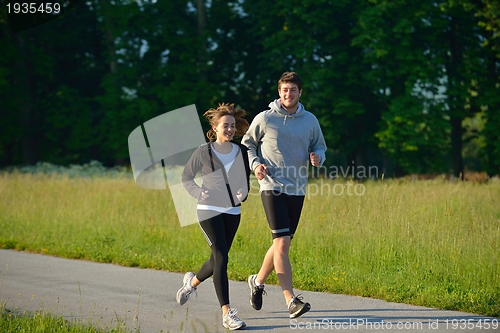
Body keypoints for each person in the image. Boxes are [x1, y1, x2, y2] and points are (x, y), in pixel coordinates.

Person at [241, 71, 327, 319]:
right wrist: (255, 165)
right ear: (279, 92)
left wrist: (318, 157)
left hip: (297, 188)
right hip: (271, 186)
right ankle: (291, 300)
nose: (288, 93)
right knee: (282, 243)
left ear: (300, 92)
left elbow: (319, 145)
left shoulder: (310, 120)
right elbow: (248, 143)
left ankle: (257, 281)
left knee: (282, 241)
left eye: (293, 89)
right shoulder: (265, 118)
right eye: (284, 90)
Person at [177, 103, 251, 330]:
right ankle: (227, 313)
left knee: (218, 258)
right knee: (222, 257)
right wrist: (198, 192)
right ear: (215, 128)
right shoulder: (204, 151)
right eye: (225, 126)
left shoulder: (242, 152)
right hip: (208, 209)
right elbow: (186, 177)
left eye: (232, 126)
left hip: (232, 211)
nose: (229, 130)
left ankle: (192, 282)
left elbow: (245, 184)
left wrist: (243, 193)